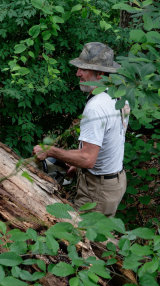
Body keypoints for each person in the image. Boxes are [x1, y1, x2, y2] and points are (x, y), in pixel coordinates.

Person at [33, 42, 129, 217]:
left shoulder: (97, 106)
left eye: (83, 69)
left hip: (98, 190)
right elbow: (111, 140)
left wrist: (51, 151)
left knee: (82, 238)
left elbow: (88, 158)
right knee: (99, 235)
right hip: (114, 181)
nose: (78, 73)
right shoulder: (118, 96)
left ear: (99, 73)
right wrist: (77, 167)